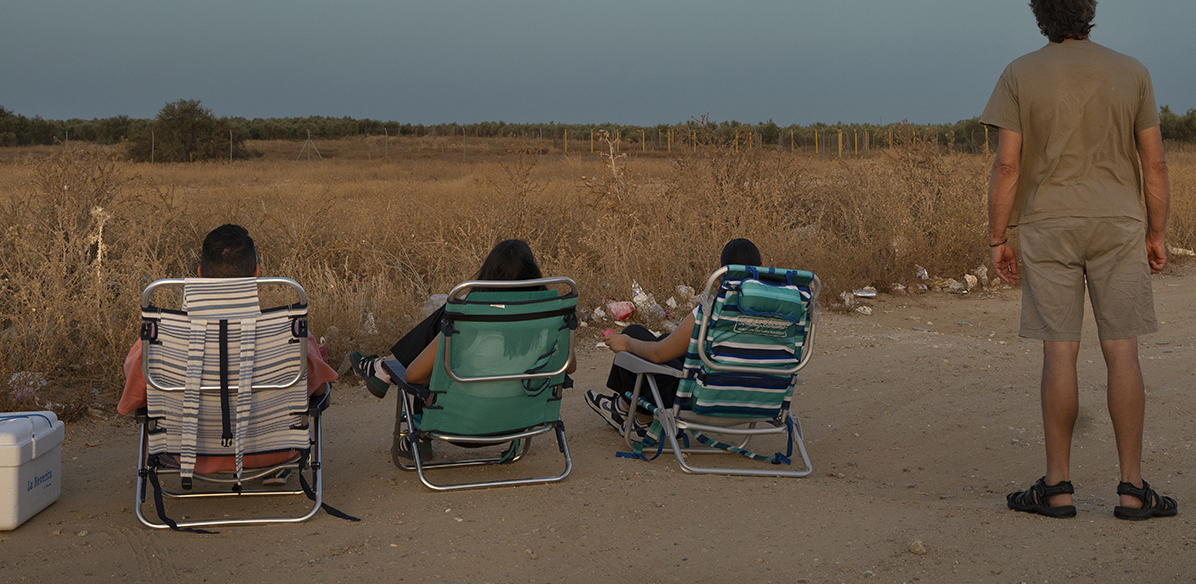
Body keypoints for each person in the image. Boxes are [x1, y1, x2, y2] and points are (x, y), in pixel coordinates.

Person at [982, 0, 1177, 520]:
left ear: (1039, 12)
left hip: (1047, 224)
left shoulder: (1019, 74)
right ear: (1090, 9)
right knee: (1123, 352)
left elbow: (1008, 166)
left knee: (1059, 351)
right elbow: (1155, 163)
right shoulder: (1132, 72)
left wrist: (998, 236)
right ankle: (1133, 489)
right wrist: (1157, 231)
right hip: (1118, 224)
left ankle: (1059, 488)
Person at [117, 223, 338, 475]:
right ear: (256, 273)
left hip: (187, 456)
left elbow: (134, 400)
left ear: (199, 274)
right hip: (274, 451)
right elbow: (318, 388)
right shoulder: (289, 333)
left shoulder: (159, 338)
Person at [585, 237, 763, 429]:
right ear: (762, 266)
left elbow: (658, 354)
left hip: (703, 401)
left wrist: (626, 343)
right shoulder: (789, 310)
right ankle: (623, 407)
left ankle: (636, 417)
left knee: (634, 333)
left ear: (722, 273)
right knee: (665, 340)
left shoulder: (713, 309)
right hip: (757, 400)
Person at [346, 238, 545, 395]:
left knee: (450, 314)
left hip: (468, 423)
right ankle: (381, 366)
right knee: (450, 312)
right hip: (520, 420)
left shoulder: (469, 318)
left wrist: (442, 377)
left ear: (487, 275)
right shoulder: (549, 316)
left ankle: (383, 368)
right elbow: (569, 368)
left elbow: (413, 375)